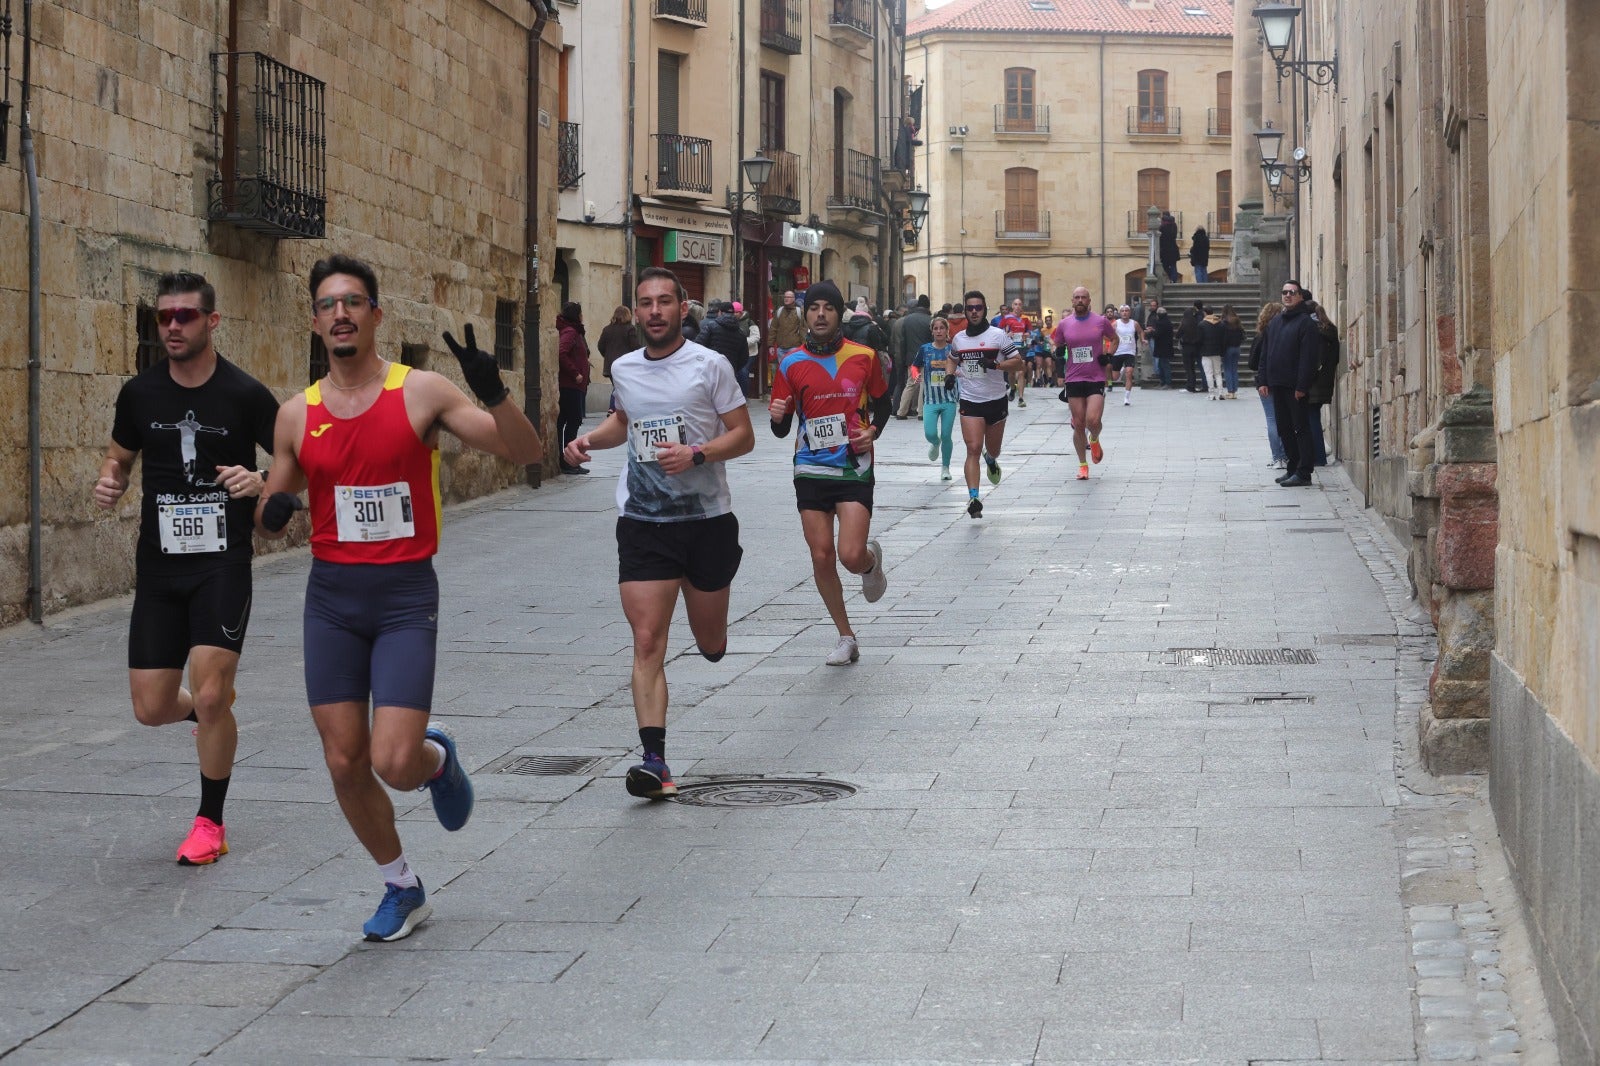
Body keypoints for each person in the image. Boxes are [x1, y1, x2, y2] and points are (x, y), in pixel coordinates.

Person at [256, 254, 542, 941]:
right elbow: (276, 499)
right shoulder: (297, 414)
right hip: (331, 598)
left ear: (376, 316)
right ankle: (401, 884)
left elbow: (527, 452)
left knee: (393, 760)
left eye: (354, 301)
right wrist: (269, 505)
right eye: (329, 304)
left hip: (405, 596)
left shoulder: (422, 393)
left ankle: (434, 758)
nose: (342, 313)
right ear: (317, 322)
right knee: (344, 759)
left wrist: (494, 392)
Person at [93, 270, 279, 867]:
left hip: (222, 564)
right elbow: (120, 455)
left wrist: (264, 481)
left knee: (210, 685)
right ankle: (210, 707)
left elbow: (301, 462)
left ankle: (209, 821)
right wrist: (112, 480)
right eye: (164, 316)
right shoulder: (140, 394)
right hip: (159, 568)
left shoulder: (245, 395)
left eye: (186, 316)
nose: (172, 325)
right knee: (150, 707)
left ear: (212, 322)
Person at [563, 266, 755, 799]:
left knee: (710, 642)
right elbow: (624, 423)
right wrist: (587, 442)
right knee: (647, 640)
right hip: (644, 522)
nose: (653, 312)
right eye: (645, 303)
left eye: (664, 302)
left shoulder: (710, 366)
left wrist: (697, 452)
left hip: (706, 521)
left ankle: (712, 635)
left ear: (682, 307)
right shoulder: (623, 368)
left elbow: (743, 436)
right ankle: (655, 761)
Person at [768, 280, 892, 664]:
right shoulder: (789, 363)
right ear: (805, 315)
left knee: (849, 555)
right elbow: (782, 427)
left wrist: (872, 432)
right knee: (821, 556)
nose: (820, 314)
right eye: (814, 307)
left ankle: (870, 561)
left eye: (829, 308)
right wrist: (777, 418)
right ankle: (845, 635)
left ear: (840, 315)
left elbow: (884, 405)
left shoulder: (864, 356)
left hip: (853, 467)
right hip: (810, 467)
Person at [948, 290, 1025, 518]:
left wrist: (995, 365)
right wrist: (950, 376)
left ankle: (990, 459)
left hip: (996, 400)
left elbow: (1018, 363)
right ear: (965, 310)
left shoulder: (998, 335)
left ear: (984, 310)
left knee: (993, 449)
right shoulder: (959, 339)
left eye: (978, 308)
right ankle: (974, 498)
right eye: (969, 308)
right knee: (972, 448)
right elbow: (952, 360)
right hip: (970, 400)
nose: (973, 312)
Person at [1257, 279, 1323, 487]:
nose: (1287, 295)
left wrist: (1302, 386)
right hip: (1277, 384)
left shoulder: (1306, 323)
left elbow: (1309, 358)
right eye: (1285, 292)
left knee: (1300, 429)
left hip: (1295, 387)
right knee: (1284, 429)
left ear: (1300, 296)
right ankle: (1292, 467)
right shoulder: (1276, 321)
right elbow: (1266, 353)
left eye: (1292, 292)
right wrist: (1263, 379)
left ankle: (1304, 472)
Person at [1051, 286, 1120, 481]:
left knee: (1093, 421)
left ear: (1089, 301)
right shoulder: (1064, 324)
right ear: (1072, 301)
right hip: (1074, 378)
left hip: (1096, 377)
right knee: (1079, 423)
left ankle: (1095, 438)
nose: (1080, 300)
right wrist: (1058, 357)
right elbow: (1058, 343)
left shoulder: (1100, 321)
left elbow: (1115, 339)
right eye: (1077, 297)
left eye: (1084, 297)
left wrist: (1108, 356)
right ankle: (1082, 465)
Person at [915, 313, 959, 480]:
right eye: (936, 328)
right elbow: (914, 366)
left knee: (947, 434)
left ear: (947, 331)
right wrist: (915, 375)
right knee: (930, 433)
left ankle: (945, 468)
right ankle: (935, 443)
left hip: (949, 399)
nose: (939, 331)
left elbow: (960, 367)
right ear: (931, 331)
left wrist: (958, 374)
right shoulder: (925, 349)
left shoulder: (952, 350)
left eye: (942, 328)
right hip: (931, 400)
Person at [1249, 301, 1288, 466]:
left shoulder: (1261, 335)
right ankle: (1284, 455)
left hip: (1264, 380)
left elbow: (1252, 362)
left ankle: (1277, 457)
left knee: (1272, 419)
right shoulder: (1284, 333)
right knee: (1284, 419)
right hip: (1282, 379)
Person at [1306, 300, 1342, 465]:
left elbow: (1316, 360)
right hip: (1324, 382)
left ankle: (1318, 457)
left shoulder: (1317, 333)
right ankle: (1317, 455)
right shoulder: (1329, 330)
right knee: (1313, 416)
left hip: (1314, 383)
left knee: (1312, 417)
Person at [557, 302, 591, 474]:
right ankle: (568, 461)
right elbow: (562, 352)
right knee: (573, 420)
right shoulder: (571, 332)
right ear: (577, 315)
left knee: (567, 420)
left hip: (573, 385)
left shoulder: (574, 331)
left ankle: (567, 460)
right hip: (570, 385)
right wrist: (575, 373)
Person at [893, 295, 934, 418]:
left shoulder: (908, 319)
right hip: (926, 357)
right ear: (927, 306)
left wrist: (905, 358)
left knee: (910, 384)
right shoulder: (930, 320)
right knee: (924, 384)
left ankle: (901, 411)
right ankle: (921, 412)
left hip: (911, 358)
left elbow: (903, 341)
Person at [995, 297, 1032, 408]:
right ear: (1012, 306)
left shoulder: (1026, 319)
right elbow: (997, 332)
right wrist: (1007, 335)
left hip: (1021, 347)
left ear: (1022, 307)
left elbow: (1030, 331)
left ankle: (1020, 398)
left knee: (1021, 371)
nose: (1017, 306)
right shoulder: (1007, 318)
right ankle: (1012, 387)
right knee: (1011, 373)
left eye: (1020, 304)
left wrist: (1027, 335)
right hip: (1010, 348)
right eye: (1015, 304)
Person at [1111, 304, 1144, 406]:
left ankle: (1126, 398)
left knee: (1129, 373)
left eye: (1126, 311)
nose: (1125, 313)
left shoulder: (1134, 323)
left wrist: (1143, 339)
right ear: (1120, 313)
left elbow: (1141, 332)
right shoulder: (1115, 324)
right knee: (1114, 378)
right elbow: (1108, 334)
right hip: (1117, 352)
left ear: (1130, 313)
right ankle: (1121, 370)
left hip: (1130, 352)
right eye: (1123, 311)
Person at [597, 305, 640, 381]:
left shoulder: (607, 329)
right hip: (625, 365)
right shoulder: (630, 328)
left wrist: (608, 355)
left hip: (610, 366)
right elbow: (635, 347)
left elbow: (600, 346)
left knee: (617, 389)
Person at [1198, 304, 1226, 398]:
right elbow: (1223, 338)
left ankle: (1211, 394)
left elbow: (1199, 339)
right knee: (1217, 373)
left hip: (1205, 352)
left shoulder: (1202, 324)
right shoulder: (1220, 324)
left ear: (1205, 313)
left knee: (1208, 373)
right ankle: (1221, 392)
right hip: (1217, 351)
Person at [1178, 302, 1205, 392]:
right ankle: (1192, 384)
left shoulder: (1184, 324)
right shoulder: (1196, 323)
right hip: (1195, 347)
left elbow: (1177, 335)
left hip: (1186, 347)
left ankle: (1190, 385)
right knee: (1193, 367)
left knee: (1188, 367)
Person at [769, 289, 805, 356]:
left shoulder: (799, 312)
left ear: (793, 299)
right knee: (782, 366)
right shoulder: (779, 311)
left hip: (794, 347)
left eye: (789, 297)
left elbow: (803, 330)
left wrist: (804, 346)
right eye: (785, 297)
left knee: (793, 366)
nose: (786, 299)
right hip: (781, 348)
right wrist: (771, 345)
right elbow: (773, 328)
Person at [1221, 305, 1245, 399]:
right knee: (1234, 369)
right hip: (1237, 348)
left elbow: (1223, 337)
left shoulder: (1224, 323)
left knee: (1227, 369)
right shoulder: (1237, 321)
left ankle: (1230, 391)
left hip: (1228, 348)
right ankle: (1234, 391)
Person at [1150, 305, 1175, 389]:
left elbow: (1157, 334)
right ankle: (1163, 382)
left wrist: (1150, 332)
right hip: (1166, 346)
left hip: (1162, 347)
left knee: (1164, 365)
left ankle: (1167, 382)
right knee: (1161, 364)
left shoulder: (1160, 323)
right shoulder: (1167, 322)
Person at [1159, 211, 1180, 282]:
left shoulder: (1162, 226)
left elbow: (1161, 238)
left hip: (1165, 249)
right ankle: (1174, 280)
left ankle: (1171, 277)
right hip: (1173, 248)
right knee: (1173, 265)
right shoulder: (1174, 225)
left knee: (1165, 265)